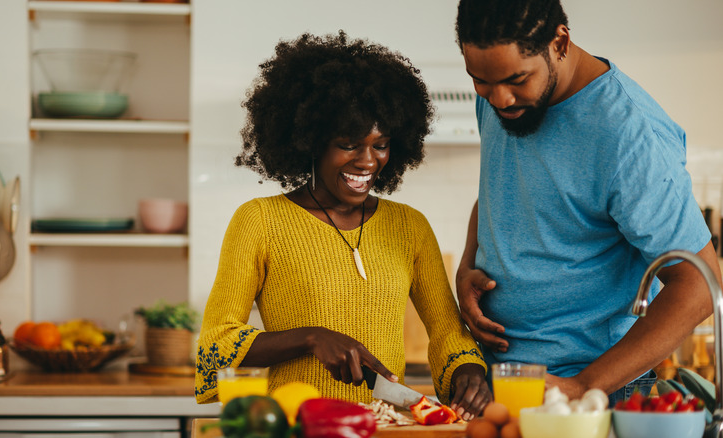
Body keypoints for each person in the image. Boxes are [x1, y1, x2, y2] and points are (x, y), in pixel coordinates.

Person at [194, 31, 491, 418]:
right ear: (310, 141)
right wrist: (311, 338)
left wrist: (467, 369)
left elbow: (447, 331)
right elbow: (216, 344)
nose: (368, 161)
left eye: (380, 144)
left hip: (383, 427)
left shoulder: (410, 226)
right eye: (349, 144)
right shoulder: (259, 221)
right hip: (296, 425)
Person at [453, 0, 720, 405]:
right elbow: (499, 186)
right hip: (499, 381)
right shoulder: (500, 98)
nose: (500, 99)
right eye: (480, 81)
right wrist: (467, 264)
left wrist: (584, 385)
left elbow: (700, 285)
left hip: (591, 394)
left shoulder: (627, 135)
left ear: (559, 41)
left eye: (516, 80)